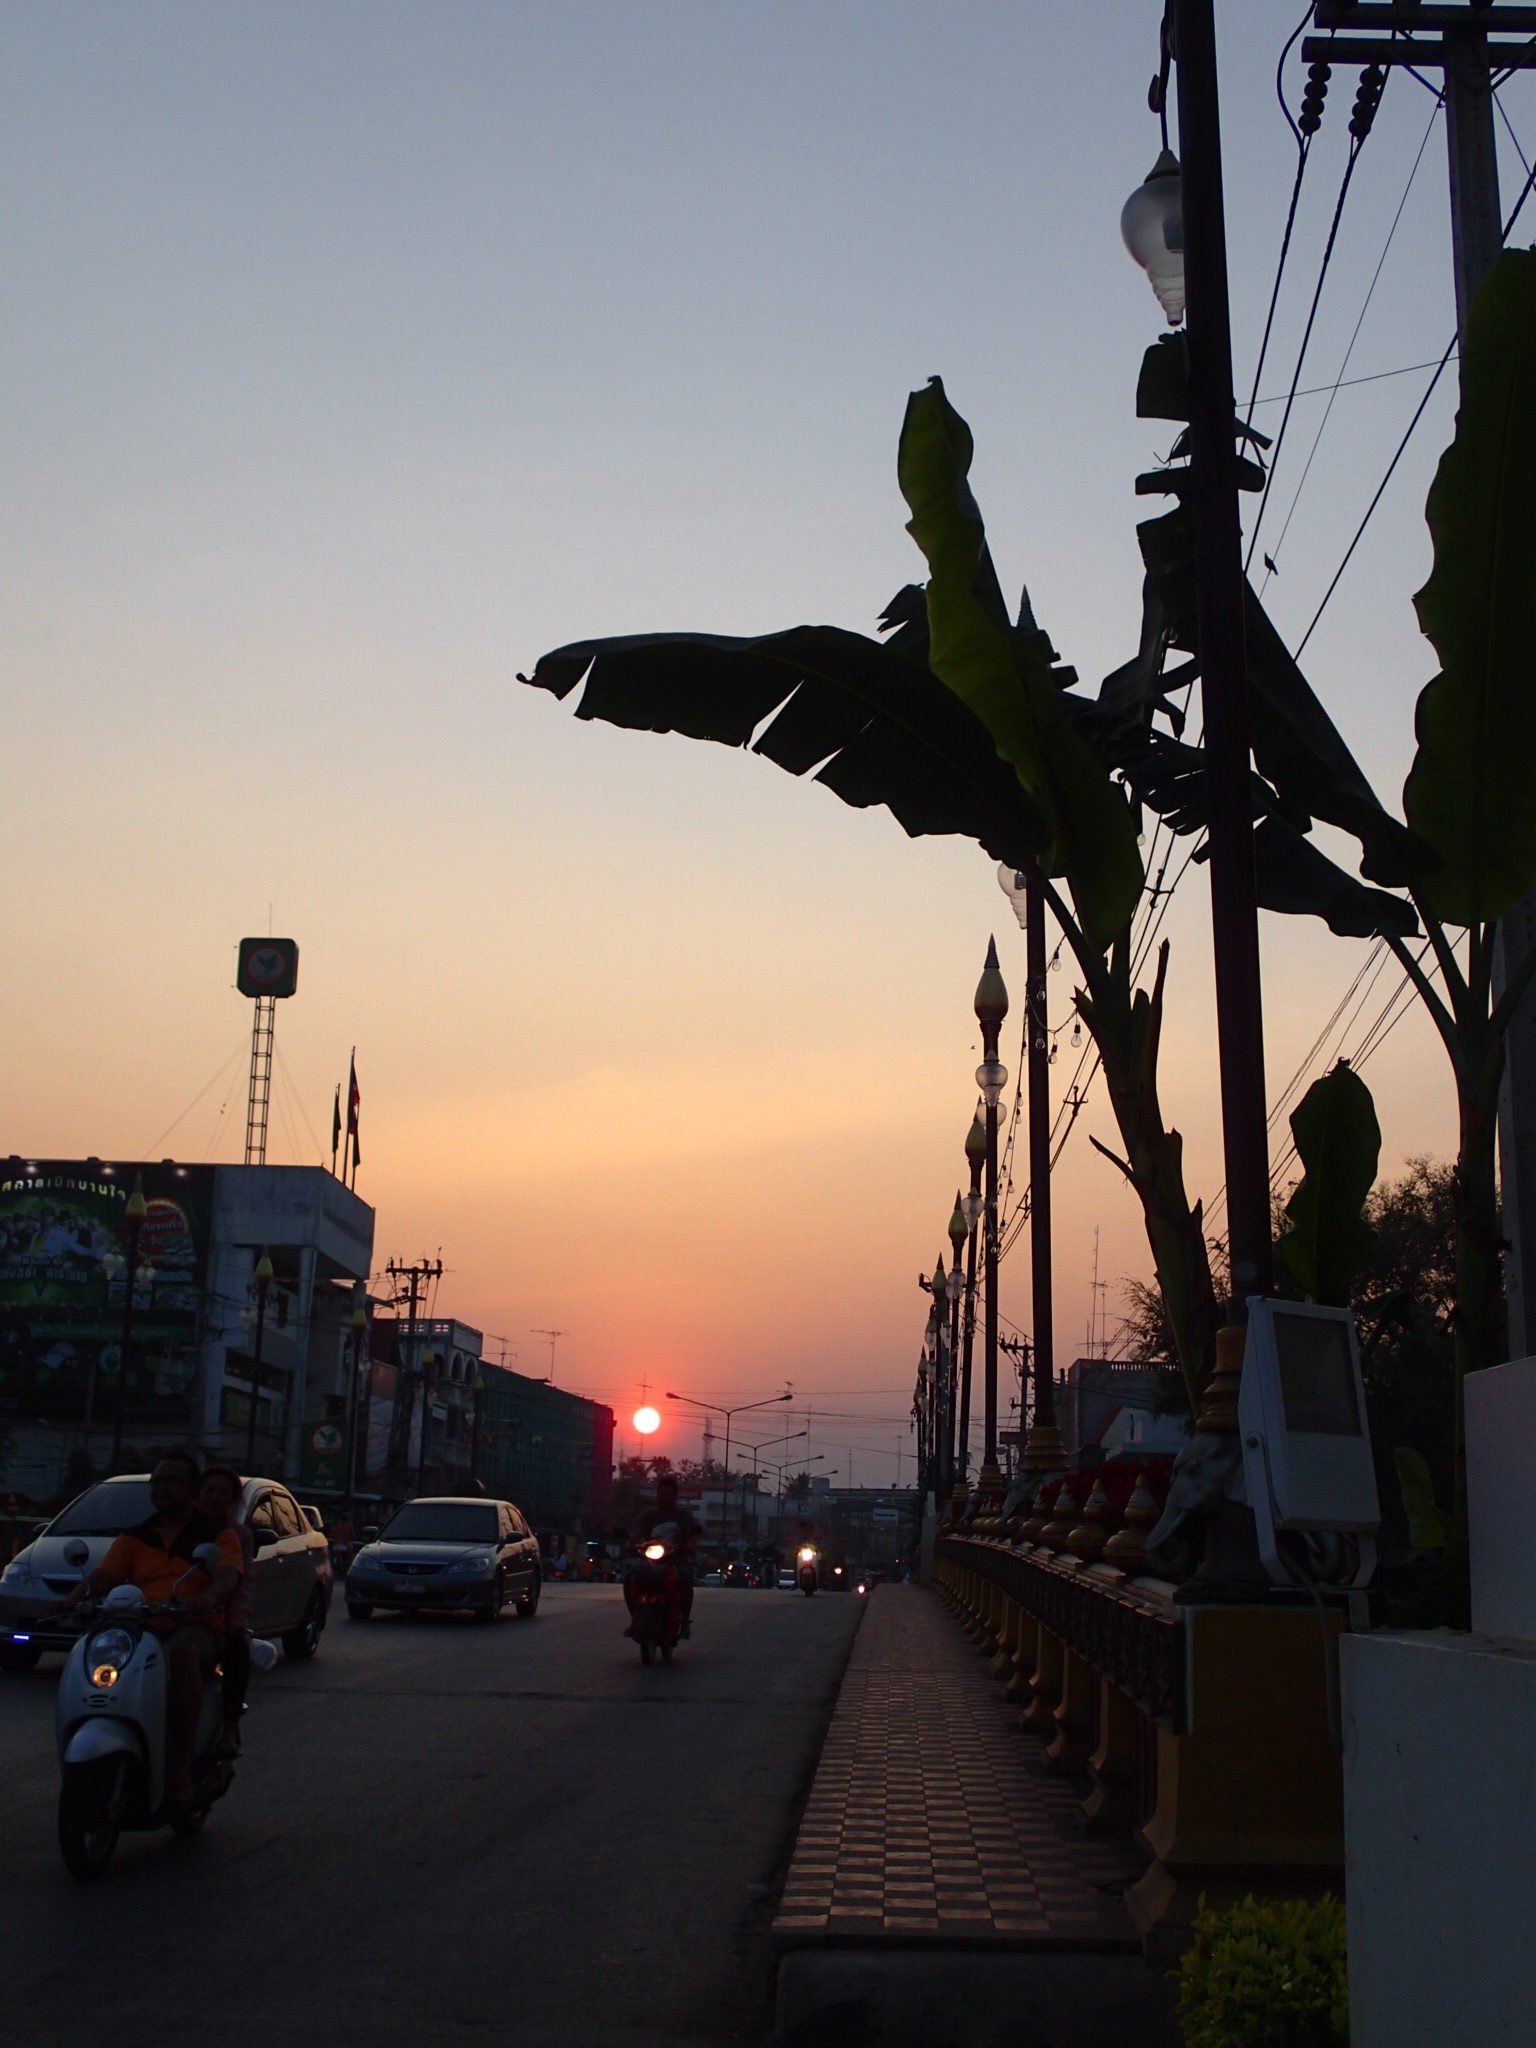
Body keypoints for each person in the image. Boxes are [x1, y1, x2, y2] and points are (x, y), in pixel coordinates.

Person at [61, 1452, 240, 1806]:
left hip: (193, 1627)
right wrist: (72, 1599)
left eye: (171, 1481)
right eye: (157, 1482)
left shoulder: (217, 1536)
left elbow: (227, 1578)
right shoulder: (136, 1536)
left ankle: (178, 1768)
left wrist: (206, 1597)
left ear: (191, 1489)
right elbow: (104, 1576)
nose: (162, 1489)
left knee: (181, 1653)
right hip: (141, 1628)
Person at [195, 1464, 253, 1756]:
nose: (215, 1497)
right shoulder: (174, 1527)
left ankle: (229, 1728)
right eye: (210, 1490)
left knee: (236, 1652)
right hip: (166, 1614)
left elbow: (240, 1583)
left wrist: (235, 1619)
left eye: (223, 1492)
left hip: (213, 1618)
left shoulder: (236, 1535)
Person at [624, 1475, 700, 1639]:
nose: (664, 1497)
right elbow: (637, 1533)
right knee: (629, 1578)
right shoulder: (648, 1515)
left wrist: (689, 1547)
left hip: (676, 1561)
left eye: (668, 1494)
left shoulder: (683, 1516)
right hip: (650, 1561)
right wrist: (629, 1545)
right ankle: (634, 1619)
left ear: (675, 1496)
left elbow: (692, 1537)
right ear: (657, 1494)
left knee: (686, 1579)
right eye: (661, 1493)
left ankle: (685, 1621)